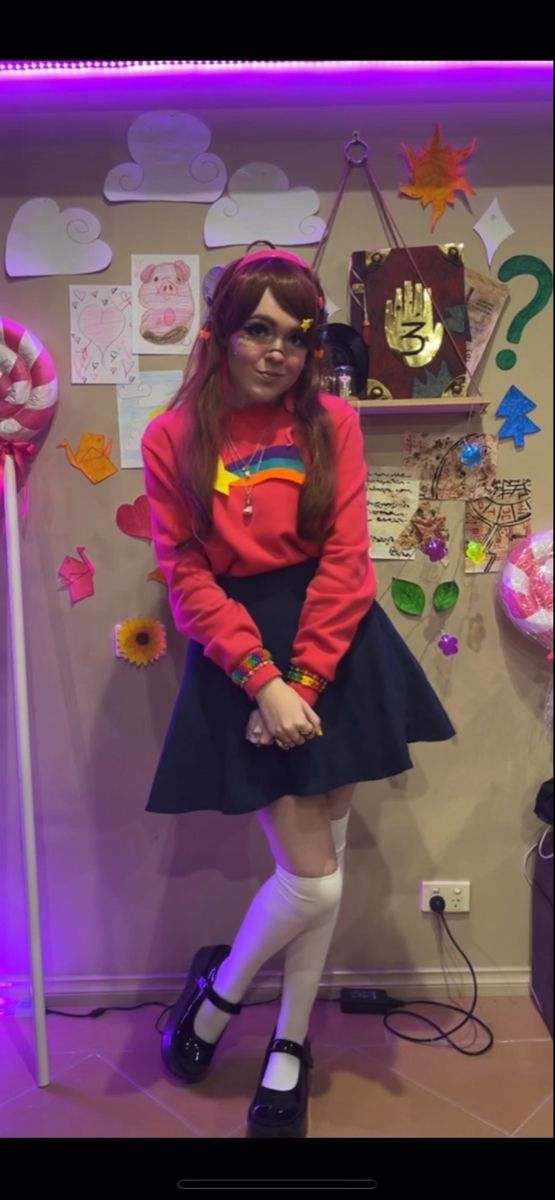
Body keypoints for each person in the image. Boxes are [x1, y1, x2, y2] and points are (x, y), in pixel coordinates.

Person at [141, 246, 455, 1138]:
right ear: (221, 334)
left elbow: (349, 561)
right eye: (258, 331)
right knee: (310, 883)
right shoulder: (172, 438)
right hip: (244, 650)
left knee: (323, 860)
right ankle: (218, 997)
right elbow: (187, 573)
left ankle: (283, 1036)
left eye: (296, 335)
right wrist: (261, 679)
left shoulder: (332, 424)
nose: (278, 352)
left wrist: (306, 677)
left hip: (338, 643)